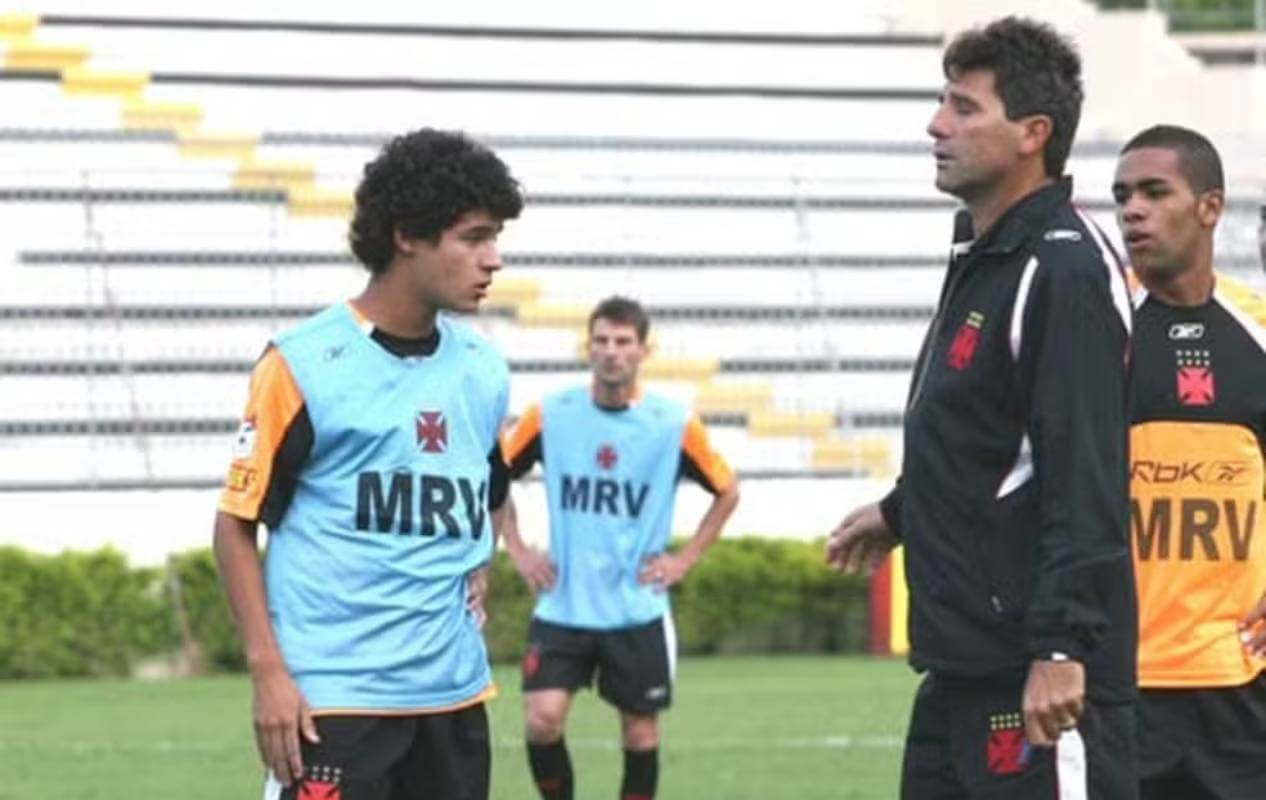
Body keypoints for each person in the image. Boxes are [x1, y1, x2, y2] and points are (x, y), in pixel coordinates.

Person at [825, 17, 1138, 798]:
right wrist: (900, 511)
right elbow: (991, 437)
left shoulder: (1061, 271)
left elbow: (1086, 471)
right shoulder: (987, 249)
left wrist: (1062, 645)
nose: (937, 125)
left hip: (1037, 680)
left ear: (1033, 133)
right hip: (963, 667)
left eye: (964, 108)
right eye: (942, 102)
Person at [213, 128, 523, 800]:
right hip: (333, 702)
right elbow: (235, 525)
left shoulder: (481, 369)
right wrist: (268, 671)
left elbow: (491, 487)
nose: (494, 259)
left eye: (496, 237)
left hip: (453, 696)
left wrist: (482, 566)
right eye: (474, 237)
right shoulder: (300, 363)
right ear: (407, 234)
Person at [499, 296, 740, 800]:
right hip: (563, 603)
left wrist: (684, 559)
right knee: (542, 721)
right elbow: (493, 477)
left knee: (640, 733)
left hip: (635, 607)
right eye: (602, 340)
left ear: (643, 350)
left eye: (623, 342)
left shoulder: (672, 424)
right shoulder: (551, 413)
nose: (611, 352)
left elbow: (727, 491)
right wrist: (517, 549)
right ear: (588, 347)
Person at [1114, 124, 1266, 799]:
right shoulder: (1095, 328)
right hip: (1115, 688)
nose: (1132, 211)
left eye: (1153, 192)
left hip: (1242, 688)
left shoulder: (1257, 329)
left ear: (1210, 206)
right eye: (1122, 197)